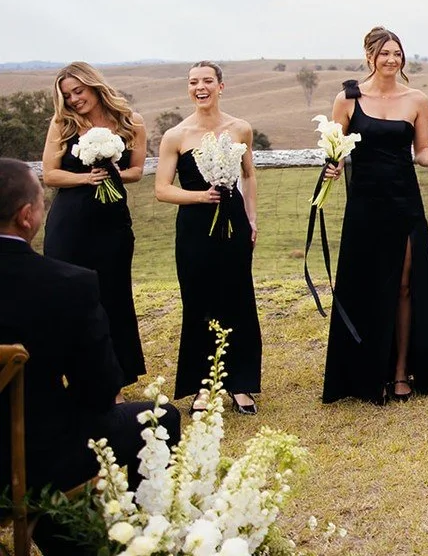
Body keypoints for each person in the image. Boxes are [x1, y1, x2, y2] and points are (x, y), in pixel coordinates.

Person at [0, 158, 180, 556]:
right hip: (33, 462)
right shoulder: (68, 285)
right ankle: (116, 543)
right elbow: (99, 392)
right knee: (161, 418)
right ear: (27, 217)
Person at [321, 27, 428, 404]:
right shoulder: (347, 100)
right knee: (367, 285)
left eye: (397, 53)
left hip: (404, 203)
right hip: (364, 206)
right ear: (370, 57)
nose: (392, 60)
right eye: (384, 54)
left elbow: (421, 152)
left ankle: (399, 372)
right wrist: (331, 166)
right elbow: (335, 152)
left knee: (406, 286)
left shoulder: (417, 100)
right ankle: (366, 372)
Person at [153, 61, 263, 412]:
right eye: (193, 82)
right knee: (199, 303)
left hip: (234, 224)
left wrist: (251, 217)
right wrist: (200, 197)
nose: (200, 87)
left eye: (207, 81)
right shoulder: (176, 136)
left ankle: (241, 384)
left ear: (221, 86)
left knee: (238, 300)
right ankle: (203, 387)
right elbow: (161, 190)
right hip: (194, 228)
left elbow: (249, 176)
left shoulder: (241, 129)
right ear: (189, 89)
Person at [41, 61, 148, 386]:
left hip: (112, 223)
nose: (73, 99)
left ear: (94, 86)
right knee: (68, 295)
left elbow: (137, 171)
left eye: (78, 91)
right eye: (67, 94)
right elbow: (50, 174)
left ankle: (116, 373)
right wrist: (86, 177)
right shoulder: (62, 123)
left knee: (113, 294)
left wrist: (110, 170)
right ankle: (68, 375)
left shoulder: (131, 122)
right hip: (70, 223)